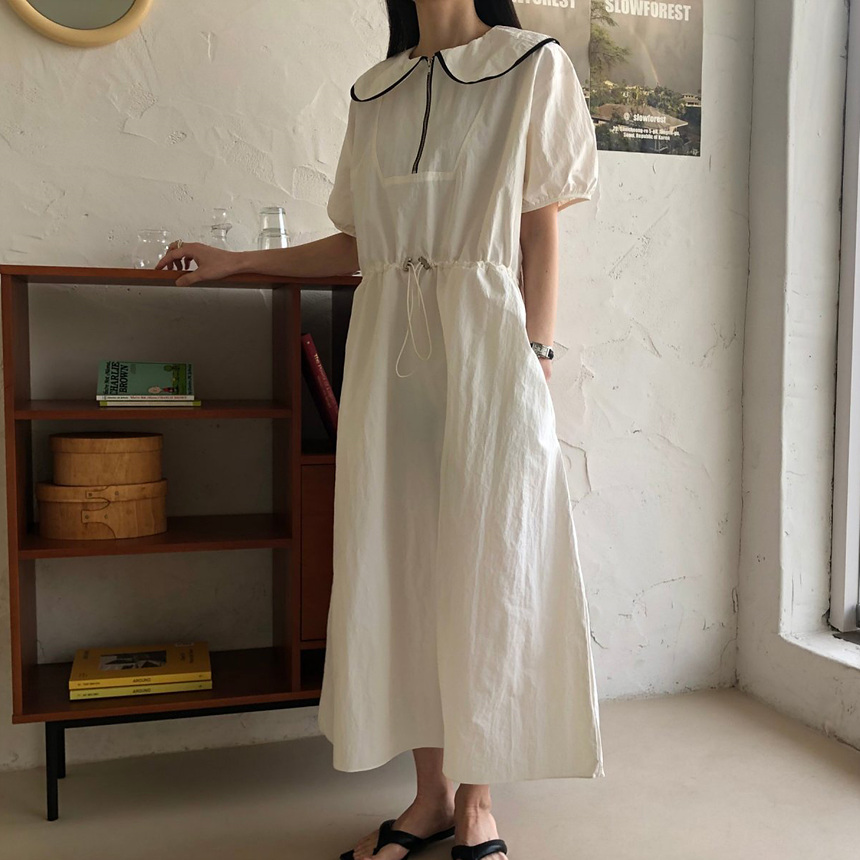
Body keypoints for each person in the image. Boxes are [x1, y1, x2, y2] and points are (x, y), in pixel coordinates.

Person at [155, 2, 604, 859]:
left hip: (489, 350)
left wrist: (537, 356)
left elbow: (538, 224)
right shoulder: (375, 91)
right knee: (400, 563)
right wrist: (237, 260)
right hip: (390, 355)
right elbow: (359, 244)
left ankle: (478, 803)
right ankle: (429, 798)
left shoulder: (530, 64)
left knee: (490, 560)